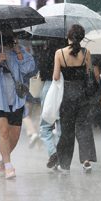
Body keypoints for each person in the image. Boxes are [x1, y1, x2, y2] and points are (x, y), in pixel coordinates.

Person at [0, 24, 35, 179]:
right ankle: (9, 166)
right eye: (2, 34)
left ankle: (2, 158)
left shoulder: (20, 51)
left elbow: (30, 68)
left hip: (16, 99)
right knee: (4, 131)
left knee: (14, 136)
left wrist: (18, 53)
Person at [53, 24, 97, 173]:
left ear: (69, 36)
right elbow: (90, 73)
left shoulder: (59, 53)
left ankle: (64, 164)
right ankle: (86, 160)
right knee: (84, 126)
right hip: (83, 94)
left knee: (67, 129)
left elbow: (56, 76)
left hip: (67, 95)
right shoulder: (86, 53)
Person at [36, 38, 64, 168]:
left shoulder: (45, 53)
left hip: (48, 88)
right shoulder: (65, 54)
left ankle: (53, 152)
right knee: (60, 126)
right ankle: (59, 155)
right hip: (63, 88)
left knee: (45, 127)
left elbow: (41, 74)